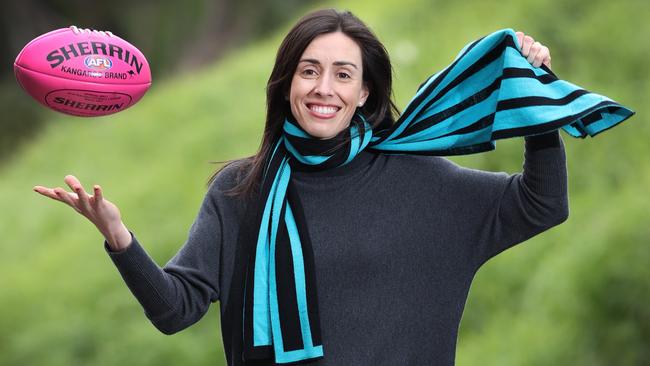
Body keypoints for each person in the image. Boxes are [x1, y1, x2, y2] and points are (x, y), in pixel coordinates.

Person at [33, 8, 570, 366]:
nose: (323, 88)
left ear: (364, 92)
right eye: (309, 71)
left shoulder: (424, 181)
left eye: (342, 74)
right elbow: (176, 310)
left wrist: (536, 102)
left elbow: (542, 205)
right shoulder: (238, 191)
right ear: (287, 83)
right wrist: (119, 236)